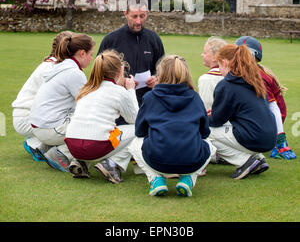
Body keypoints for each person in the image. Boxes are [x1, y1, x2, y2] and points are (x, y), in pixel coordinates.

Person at [128, 55, 216, 197]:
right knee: (211, 145)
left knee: (134, 143)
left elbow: (139, 131)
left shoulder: (150, 97)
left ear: (160, 74)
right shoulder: (195, 97)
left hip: (157, 159)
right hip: (191, 161)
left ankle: (156, 180)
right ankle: (188, 179)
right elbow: (204, 132)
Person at [65, 50, 139, 183]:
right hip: (95, 146)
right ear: (118, 72)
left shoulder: (86, 89)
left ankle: (81, 162)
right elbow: (135, 119)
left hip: (72, 145)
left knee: (101, 129)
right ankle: (111, 164)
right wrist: (131, 90)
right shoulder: (119, 92)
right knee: (137, 130)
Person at [209, 44, 277, 180]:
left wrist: (203, 117)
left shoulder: (226, 85)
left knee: (206, 131)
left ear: (225, 62)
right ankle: (259, 159)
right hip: (270, 138)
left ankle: (245, 162)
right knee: (228, 129)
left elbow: (216, 121)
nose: (218, 69)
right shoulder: (254, 80)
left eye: (218, 64)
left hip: (254, 138)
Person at [29, 33, 95, 172]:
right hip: (49, 128)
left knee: (79, 115)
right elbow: (87, 104)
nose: (91, 59)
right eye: (91, 54)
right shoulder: (74, 73)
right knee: (92, 124)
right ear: (82, 53)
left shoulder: (61, 66)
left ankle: (45, 147)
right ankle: (61, 154)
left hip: (38, 126)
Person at [12, 31, 72, 161]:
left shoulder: (53, 64)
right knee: (73, 125)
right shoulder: (53, 68)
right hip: (26, 118)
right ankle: (38, 145)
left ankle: (36, 143)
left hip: (24, 115)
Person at [235, 36, 296, 160]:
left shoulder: (258, 77)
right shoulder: (249, 72)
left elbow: (273, 108)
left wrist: (280, 139)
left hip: (269, 122)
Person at [97, 1, 165, 106]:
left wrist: (156, 78)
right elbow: (98, 72)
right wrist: (120, 81)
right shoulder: (111, 40)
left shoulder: (154, 39)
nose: (138, 21)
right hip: (118, 103)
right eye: (134, 16)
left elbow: (163, 70)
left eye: (142, 16)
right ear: (125, 13)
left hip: (148, 103)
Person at [198, 36, 227, 112]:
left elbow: (205, 106)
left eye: (205, 53)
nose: (202, 55)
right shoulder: (232, 76)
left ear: (215, 57)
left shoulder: (206, 79)